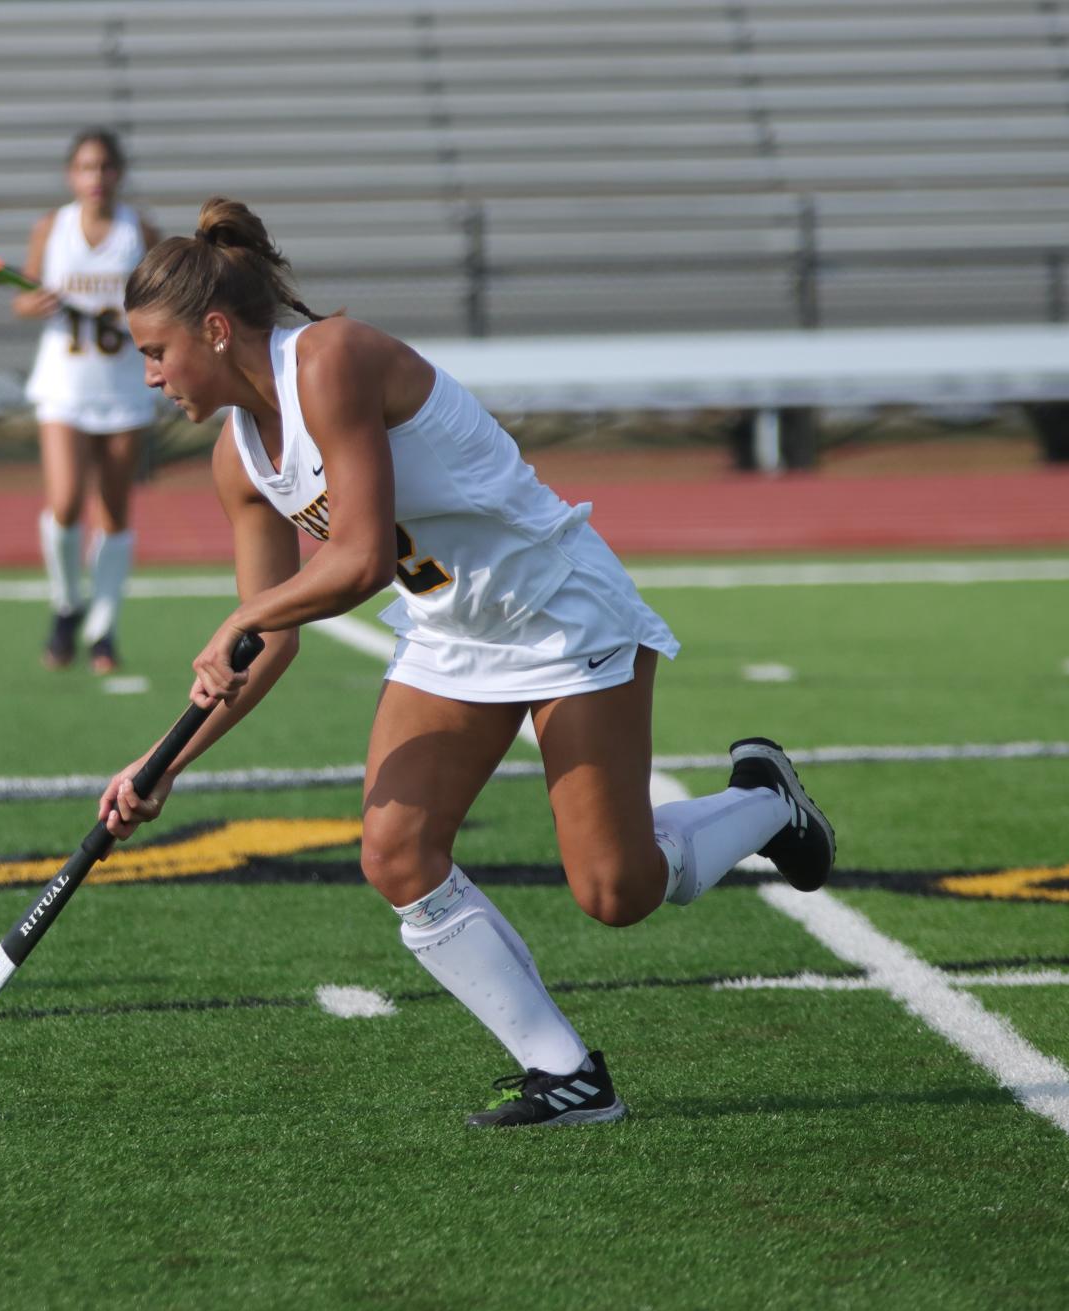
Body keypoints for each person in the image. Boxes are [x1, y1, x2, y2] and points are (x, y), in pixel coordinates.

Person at [96, 198, 836, 1128]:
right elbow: (271, 641)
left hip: (557, 612)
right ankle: (565, 1072)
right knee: (395, 851)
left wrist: (247, 610)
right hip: (451, 637)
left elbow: (358, 561)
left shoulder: (330, 359)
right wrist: (162, 764)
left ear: (212, 329)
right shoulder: (238, 462)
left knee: (616, 891)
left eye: (157, 352)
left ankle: (765, 797)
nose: (153, 377)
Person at [14, 129, 161, 672]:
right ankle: (65, 604)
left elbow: (165, 301)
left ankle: (104, 629)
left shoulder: (139, 231)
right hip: (64, 385)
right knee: (67, 501)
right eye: (85, 167)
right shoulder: (51, 228)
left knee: (115, 513)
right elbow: (23, 299)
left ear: (118, 174)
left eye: (104, 167)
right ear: (71, 175)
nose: (95, 178)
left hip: (123, 387)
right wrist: (38, 301)